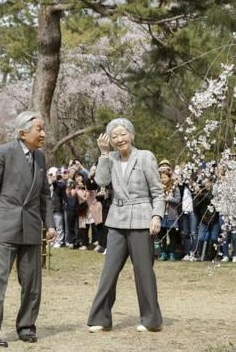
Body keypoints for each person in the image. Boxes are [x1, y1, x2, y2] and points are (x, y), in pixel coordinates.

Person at [0, 111, 56, 347]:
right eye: (38, 129)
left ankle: (26, 327)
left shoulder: (40, 158)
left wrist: (49, 224)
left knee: (32, 283)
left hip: (31, 228)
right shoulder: (3, 152)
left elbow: (45, 195)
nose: (43, 133)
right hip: (5, 228)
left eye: (43, 129)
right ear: (23, 133)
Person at [87, 118, 165, 333]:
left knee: (143, 271)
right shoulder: (109, 158)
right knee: (109, 271)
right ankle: (100, 318)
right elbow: (101, 181)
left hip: (142, 218)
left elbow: (158, 191)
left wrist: (157, 216)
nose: (119, 139)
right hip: (117, 219)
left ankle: (151, 319)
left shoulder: (145, 157)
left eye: (123, 134)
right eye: (114, 136)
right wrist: (103, 154)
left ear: (131, 135)